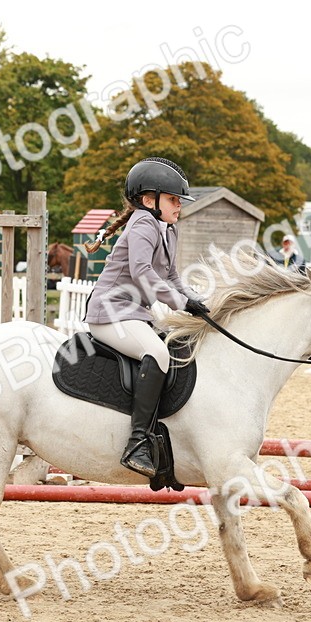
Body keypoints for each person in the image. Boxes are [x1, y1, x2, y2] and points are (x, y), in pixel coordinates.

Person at [83, 157, 206, 478]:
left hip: (135, 314)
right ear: (149, 200)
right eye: (174, 199)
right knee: (157, 352)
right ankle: (137, 442)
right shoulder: (143, 224)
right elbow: (142, 271)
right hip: (110, 313)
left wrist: (199, 302)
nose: (179, 206)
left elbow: (172, 276)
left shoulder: (167, 229)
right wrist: (180, 302)